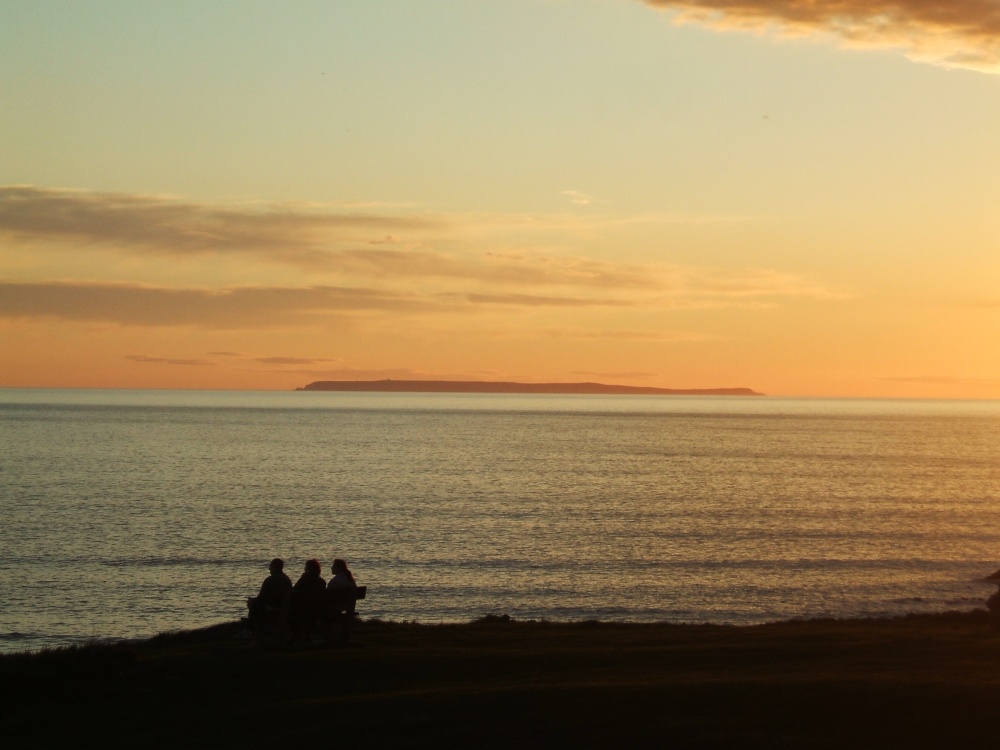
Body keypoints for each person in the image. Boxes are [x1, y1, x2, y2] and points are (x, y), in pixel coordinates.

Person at [246, 558, 292, 638]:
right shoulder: (287, 580)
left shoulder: (269, 580)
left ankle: (254, 633)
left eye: (271, 566)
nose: (269, 568)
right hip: (284, 609)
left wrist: (251, 601)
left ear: (275, 567)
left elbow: (261, 598)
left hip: (271, 609)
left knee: (252, 605)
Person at [288, 558, 326, 644]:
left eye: (306, 568)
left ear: (309, 569)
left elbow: (293, 592)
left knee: (290, 613)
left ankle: (295, 635)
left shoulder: (304, 580)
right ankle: (299, 636)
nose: (304, 569)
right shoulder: (322, 582)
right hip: (316, 610)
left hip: (303, 610)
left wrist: (302, 578)